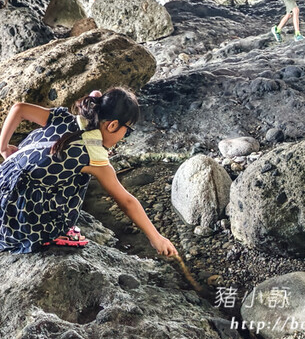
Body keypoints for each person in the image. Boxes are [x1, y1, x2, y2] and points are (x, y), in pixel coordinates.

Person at [0, 87, 178, 256]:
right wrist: (156, 238)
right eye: (128, 131)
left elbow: (19, 108)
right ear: (113, 125)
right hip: (17, 223)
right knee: (80, 178)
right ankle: (52, 231)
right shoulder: (93, 156)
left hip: (4, 188)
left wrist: (3, 148)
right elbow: (126, 202)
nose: (125, 137)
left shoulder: (64, 117)